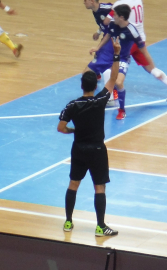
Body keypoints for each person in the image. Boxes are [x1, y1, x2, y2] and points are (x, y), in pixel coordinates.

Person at [58, 36, 122, 237]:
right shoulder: (101, 100)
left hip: (78, 149)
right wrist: (117, 53)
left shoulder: (72, 105)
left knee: (73, 184)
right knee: (99, 187)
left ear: (81, 86)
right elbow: (113, 78)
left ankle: (68, 222)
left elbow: (61, 128)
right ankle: (100, 226)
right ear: (95, 85)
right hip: (97, 150)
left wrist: (73, 131)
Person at [91, 5, 148, 120]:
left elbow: (142, 46)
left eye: (115, 14)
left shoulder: (132, 31)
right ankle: (112, 94)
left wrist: (149, 62)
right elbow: (107, 35)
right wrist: (98, 48)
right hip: (111, 56)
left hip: (122, 58)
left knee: (119, 82)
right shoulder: (112, 24)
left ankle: (121, 110)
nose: (113, 16)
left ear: (121, 17)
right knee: (106, 75)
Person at [82, 0, 118, 103]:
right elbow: (104, 26)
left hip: (113, 38)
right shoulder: (94, 11)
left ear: (92, 0)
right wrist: (98, 32)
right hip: (109, 36)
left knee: (86, 73)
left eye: (85, 0)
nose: (84, 3)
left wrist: (98, 46)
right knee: (99, 55)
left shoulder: (105, 8)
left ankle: (111, 93)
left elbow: (116, 7)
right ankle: (98, 75)